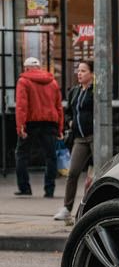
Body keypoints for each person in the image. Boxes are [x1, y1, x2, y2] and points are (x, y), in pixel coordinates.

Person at [13, 56, 64, 198]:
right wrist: (60, 128)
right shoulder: (52, 82)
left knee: (22, 155)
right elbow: (58, 107)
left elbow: (22, 106)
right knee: (51, 157)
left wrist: (20, 127)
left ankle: (24, 187)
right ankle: (49, 190)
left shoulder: (23, 81)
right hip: (50, 123)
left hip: (31, 123)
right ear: (39, 68)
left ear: (26, 68)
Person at [54, 60, 95, 222]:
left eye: (83, 71)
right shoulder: (75, 92)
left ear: (91, 74)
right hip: (79, 138)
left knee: (96, 176)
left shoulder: (95, 91)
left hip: (95, 137)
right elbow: (69, 111)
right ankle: (67, 208)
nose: (79, 73)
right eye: (78, 71)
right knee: (72, 173)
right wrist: (70, 122)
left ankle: (89, 210)